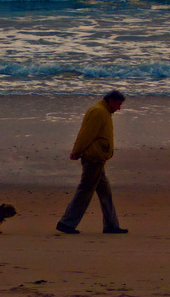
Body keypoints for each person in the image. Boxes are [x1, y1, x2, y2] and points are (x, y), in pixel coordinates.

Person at [56, 89, 128, 234]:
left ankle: (111, 225)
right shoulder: (99, 112)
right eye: (118, 104)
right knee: (85, 191)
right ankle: (66, 223)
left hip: (98, 159)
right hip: (93, 159)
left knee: (105, 193)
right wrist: (77, 151)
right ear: (111, 101)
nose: (119, 108)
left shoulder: (104, 111)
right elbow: (86, 135)